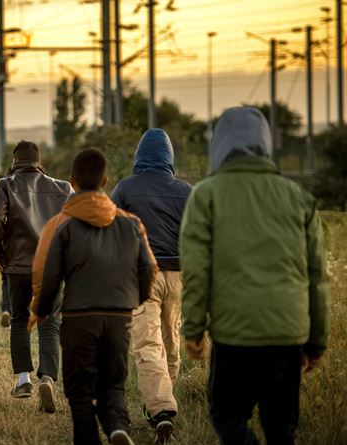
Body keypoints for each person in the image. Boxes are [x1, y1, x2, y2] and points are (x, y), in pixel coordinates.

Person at [180, 107, 330, 445]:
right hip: (287, 335)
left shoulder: (206, 195)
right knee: (282, 430)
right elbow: (318, 277)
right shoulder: (299, 198)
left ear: (218, 146)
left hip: (235, 335)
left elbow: (197, 270)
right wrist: (317, 340)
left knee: (228, 418)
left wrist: (193, 328)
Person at [30, 149, 157, 445]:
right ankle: (118, 430)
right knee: (113, 385)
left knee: (80, 393)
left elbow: (50, 276)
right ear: (106, 180)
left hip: (78, 318)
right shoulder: (131, 223)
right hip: (119, 316)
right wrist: (135, 299)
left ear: (72, 181)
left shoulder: (64, 225)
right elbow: (149, 267)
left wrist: (42, 309)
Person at [111, 128, 192, 442]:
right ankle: (162, 404)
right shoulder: (187, 191)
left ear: (139, 156)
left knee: (147, 344)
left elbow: (110, 228)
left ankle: (161, 410)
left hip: (143, 277)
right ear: (169, 158)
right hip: (178, 276)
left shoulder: (126, 188)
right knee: (171, 343)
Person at [0, 140, 73, 411]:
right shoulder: (63, 188)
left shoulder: (6, 185)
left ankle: (23, 380)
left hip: (18, 266)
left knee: (20, 318)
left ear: (14, 160)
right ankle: (47, 377)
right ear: (39, 159)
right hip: (52, 266)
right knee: (50, 321)